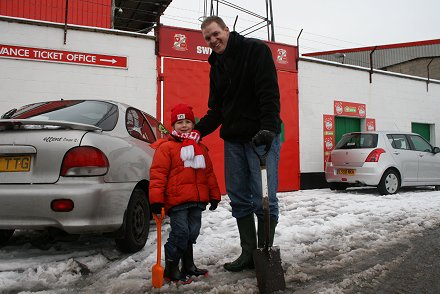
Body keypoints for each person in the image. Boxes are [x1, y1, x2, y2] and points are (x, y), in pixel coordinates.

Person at [196, 16, 282, 272]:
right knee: (239, 198)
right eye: (208, 38)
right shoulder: (217, 66)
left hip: (260, 137)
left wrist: (268, 128)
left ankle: (264, 254)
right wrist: (196, 132)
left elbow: (269, 92)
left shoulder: (255, 51)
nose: (213, 41)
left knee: (264, 198)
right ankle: (248, 253)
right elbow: (217, 110)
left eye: (215, 34)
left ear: (226, 30)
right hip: (234, 139)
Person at [149, 103, 221, 283]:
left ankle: (188, 265)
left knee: (192, 232)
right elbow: (158, 175)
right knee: (180, 233)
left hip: (197, 200)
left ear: (193, 124)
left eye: (188, 121)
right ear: (172, 126)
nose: (184, 125)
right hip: (177, 201)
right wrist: (156, 201)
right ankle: (171, 269)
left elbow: (209, 174)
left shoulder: (200, 148)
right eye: (179, 122)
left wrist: (214, 195)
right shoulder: (166, 148)